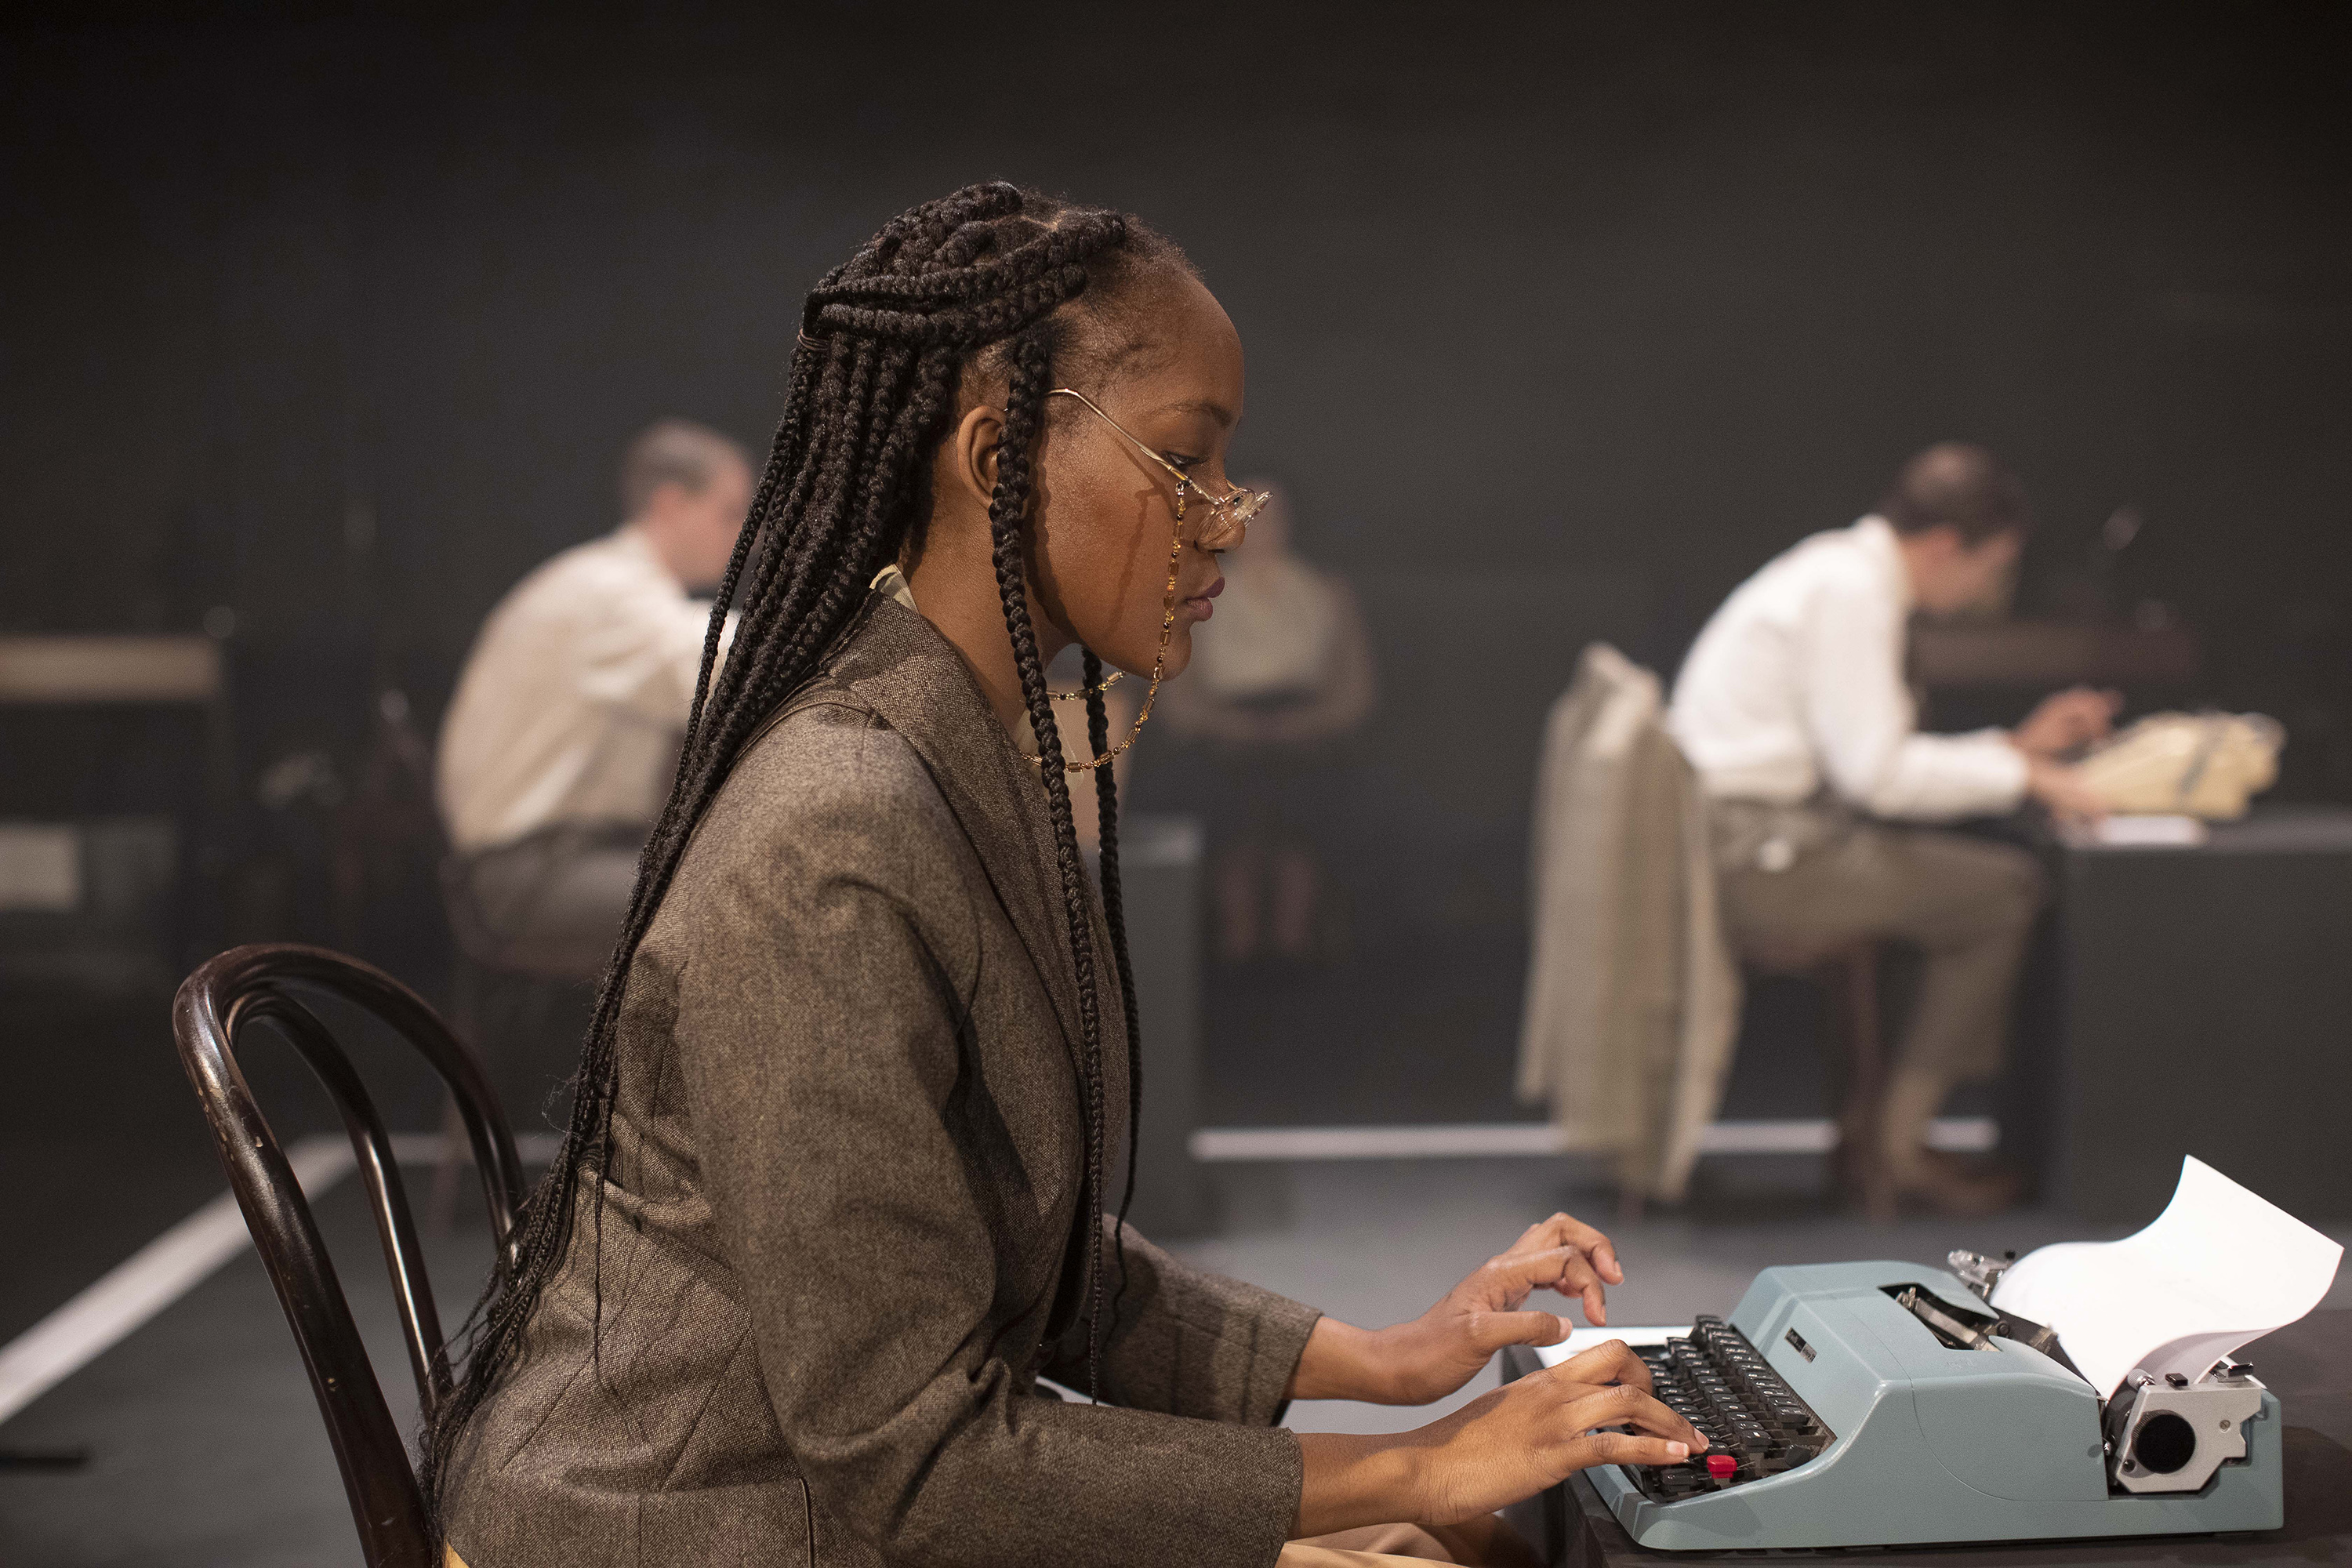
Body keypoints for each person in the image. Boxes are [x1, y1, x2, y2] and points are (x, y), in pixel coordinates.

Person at [426, 183, 1702, 1568]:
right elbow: (914, 1468)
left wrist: (1388, 1362)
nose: (1228, 516)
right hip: (681, 1526)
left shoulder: (952, 751)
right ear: (999, 457)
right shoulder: (834, 833)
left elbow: (1011, 1247)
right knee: (1446, 1541)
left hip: (818, 1495)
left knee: (1457, 1541)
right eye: (1185, 458)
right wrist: (1417, 1461)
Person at [1668, 442, 2114, 1218]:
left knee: (1955, 883)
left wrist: (2015, 752)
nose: (1989, 589)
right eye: (1991, 566)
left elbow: (1868, 760)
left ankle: (1886, 1134)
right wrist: (2025, 774)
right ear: (1944, 546)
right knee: (2003, 891)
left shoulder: (1835, 570)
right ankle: (1897, 1145)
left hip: (1756, 840)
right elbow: (1878, 777)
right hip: (1763, 857)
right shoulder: (1853, 591)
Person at [434, 419, 750, 976]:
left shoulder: (606, 583)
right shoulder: (606, 591)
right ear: (671, 504)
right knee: (747, 903)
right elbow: (729, 663)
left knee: (746, 881)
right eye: (730, 512)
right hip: (530, 873)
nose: (748, 532)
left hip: (557, 859)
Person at [1159, 481, 1376, 964]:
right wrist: (1230, 727)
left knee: (1300, 819)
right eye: (1245, 514)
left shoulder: (1326, 594)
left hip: (1306, 741)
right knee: (1232, 819)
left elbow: (1354, 693)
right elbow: (1178, 695)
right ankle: (1237, 941)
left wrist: (1300, 725)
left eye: (1270, 517)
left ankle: (1295, 942)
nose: (1259, 529)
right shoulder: (1196, 594)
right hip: (1223, 742)